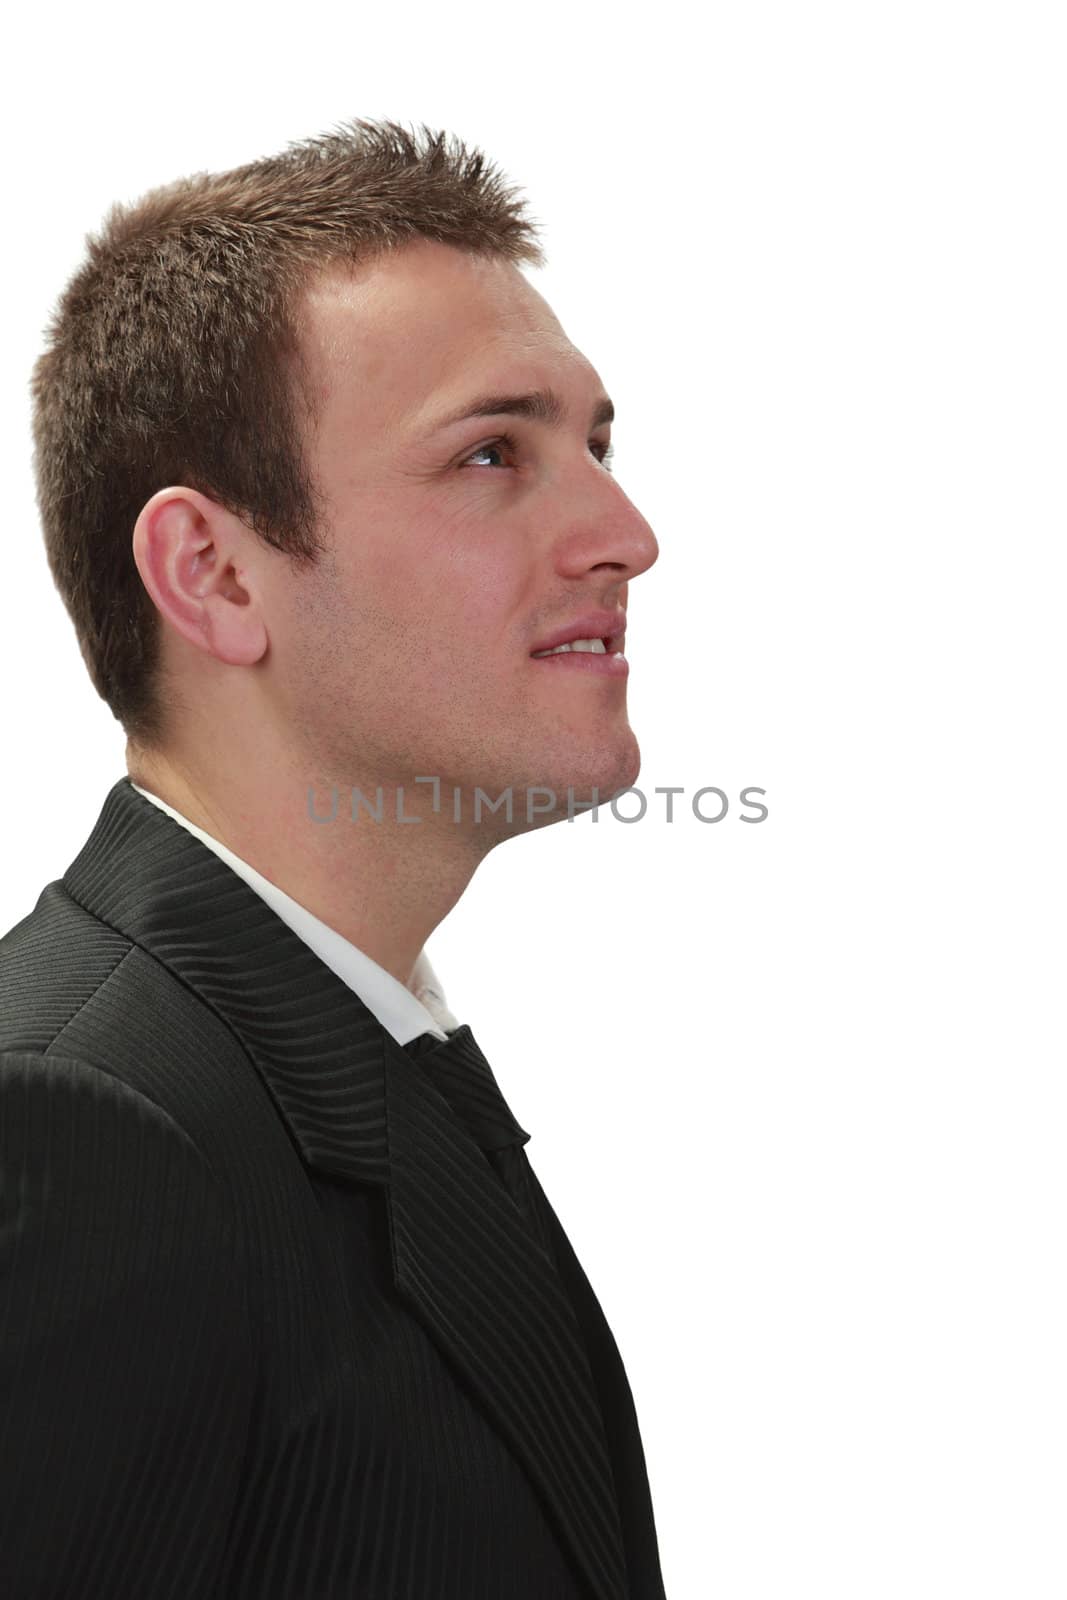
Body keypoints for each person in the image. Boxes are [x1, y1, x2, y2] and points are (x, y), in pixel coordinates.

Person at [0, 118, 664, 1598]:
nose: (626, 533)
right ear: (215, 574)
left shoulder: (338, 1059)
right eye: (492, 452)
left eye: (597, 445)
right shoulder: (79, 1129)